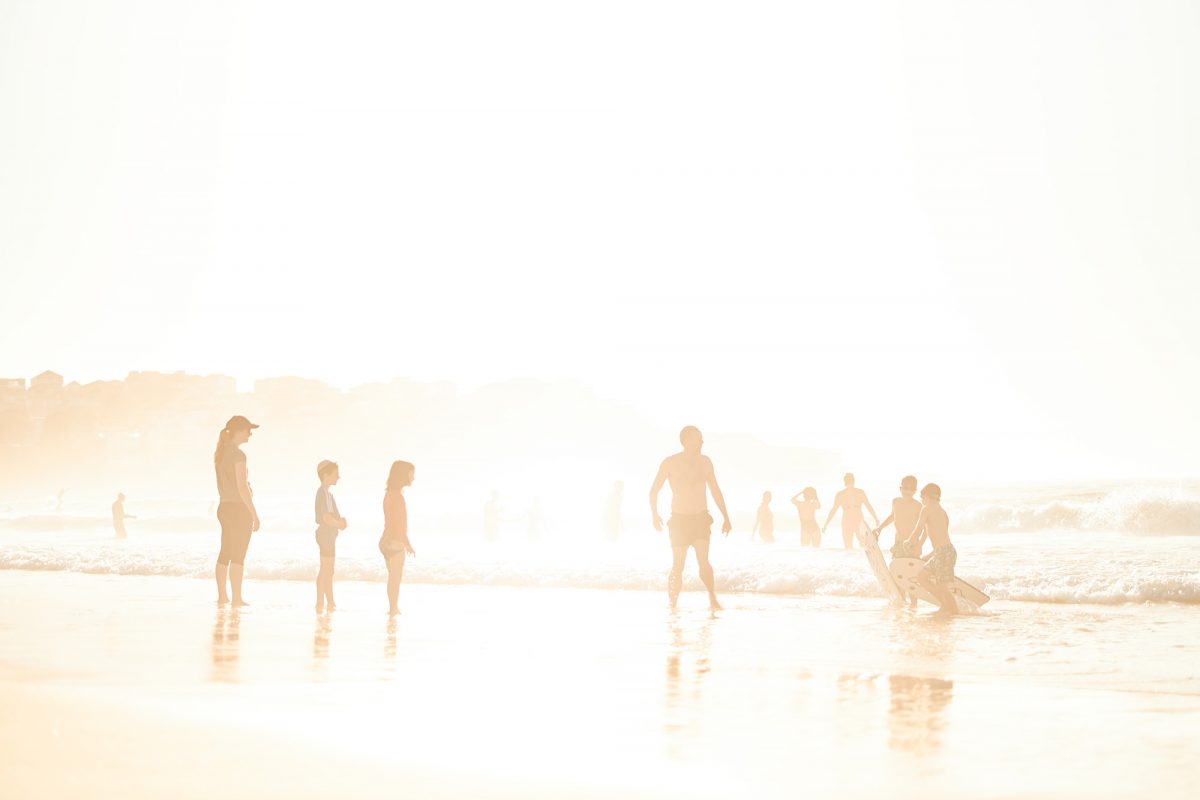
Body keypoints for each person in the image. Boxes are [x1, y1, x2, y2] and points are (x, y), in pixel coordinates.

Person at [649, 426, 733, 610]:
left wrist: (726, 516)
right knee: (678, 565)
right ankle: (672, 604)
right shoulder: (670, 462)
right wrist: (654, 514)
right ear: (686, 440)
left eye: (702, 438)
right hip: (679, 520)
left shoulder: (706, 462)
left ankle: (712, 597)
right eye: (698, 438)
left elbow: (715, 491)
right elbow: (654, 491)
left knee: (703, 561)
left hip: (700, 519)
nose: (702, 441)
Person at [213, 415, 260, 606]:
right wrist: (254, 514)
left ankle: (223, 596)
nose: (250, 434)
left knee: (225, 552)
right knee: (238, 554)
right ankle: (237, 599)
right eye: (248, 430)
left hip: (224, 507)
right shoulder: (239, 455)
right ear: (239, 431)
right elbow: (242, 488)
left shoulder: (221, 453)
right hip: (239, 509)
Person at [900, 483, 957, 616]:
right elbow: (941, 536)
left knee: (942, 586)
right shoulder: (943, 512)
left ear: (926, 496)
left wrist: (909, 541)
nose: (922, 501)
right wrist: (931, 554)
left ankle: (954, 611)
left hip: (944, 553)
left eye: (921, 498)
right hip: (943, 552)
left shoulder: (926, 508)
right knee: (922, 577)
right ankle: (945, 605)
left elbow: (918, 529)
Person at [874, 476, 924, 607]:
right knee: (898, 574)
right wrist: (880, 528)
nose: (907, 491)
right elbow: (892, 516)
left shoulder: (918, 506)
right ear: (900, 488)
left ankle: (914, 604)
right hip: (898, 544)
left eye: (911, 489)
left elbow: (925, 527)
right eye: (905, 488)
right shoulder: (895, 502)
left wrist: (919, 545)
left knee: (911, 576)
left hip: (912, 545)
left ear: (915, 490)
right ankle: (902, 601)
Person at [379, 460, 417, 616]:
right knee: (395, 579)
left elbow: (391, 523)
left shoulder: (389, 494)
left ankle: (392, 607)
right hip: (394, 542)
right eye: (411, 474)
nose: (413, 478)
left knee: (392, 578)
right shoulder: (398, 497)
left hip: (385, 540)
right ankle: (393, 609)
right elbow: (398, 524)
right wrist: (407, 544)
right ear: (403, 475)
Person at [314, 460, 347, 612]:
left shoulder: (326, 494)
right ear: (326, 475)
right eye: (335, 474)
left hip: (327, 535)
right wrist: (340, 524)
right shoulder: (324, 494)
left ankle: (329, 601)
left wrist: (340, 521)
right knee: (326, 569)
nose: (338, 477)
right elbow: (326, 518)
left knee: (328, 569)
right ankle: (321, 602)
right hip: (326, 534)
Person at [822, 473, 879, 549]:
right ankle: (860, 560)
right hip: (858, 519)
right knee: (864, 546)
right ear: (854, 480)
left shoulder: (840, 494)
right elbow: (869, 506)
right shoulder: (860, 492)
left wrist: (826, 525)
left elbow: (833, 511)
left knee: (848, 547)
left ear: (844, 481)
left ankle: (850, 559)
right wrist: (876, 518)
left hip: (847, 521)